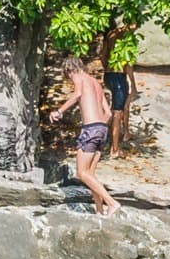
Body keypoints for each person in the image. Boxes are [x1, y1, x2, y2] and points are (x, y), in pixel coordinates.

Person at [51, 57, 120, 216]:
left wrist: (59, 111)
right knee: (90, 174)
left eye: (68, 75)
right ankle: (99, 210)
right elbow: (108, 113)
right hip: (102, 129)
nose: (70, 79)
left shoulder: (78, 77)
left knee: (81, 173)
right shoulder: (96, 83)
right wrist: (99, 126)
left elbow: (77, 95)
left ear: (70, 70)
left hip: (91, 129)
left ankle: (112, 203)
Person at [96, 22, 139, 160]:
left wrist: (107, 68)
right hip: (119, 77)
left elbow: (102, 56)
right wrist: (133, 84)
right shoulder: (126, 38)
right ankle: (114, 149)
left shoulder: (111, 34)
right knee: (117, 113)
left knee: (123, 106)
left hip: (108, 75)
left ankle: (125, 133)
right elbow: (128, 65)